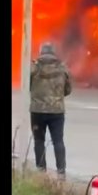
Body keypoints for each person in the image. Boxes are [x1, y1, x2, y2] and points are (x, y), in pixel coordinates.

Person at [29, 42, 72, 179]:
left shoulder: (33, 68)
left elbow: (27, 86)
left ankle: (41, 172)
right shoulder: (62, 68)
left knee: (39, 141)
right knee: (58, 141)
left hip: (37, 111)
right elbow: (68, 90)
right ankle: (61, 173)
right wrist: (56, 97)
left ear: (41, 52)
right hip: (57, 111)